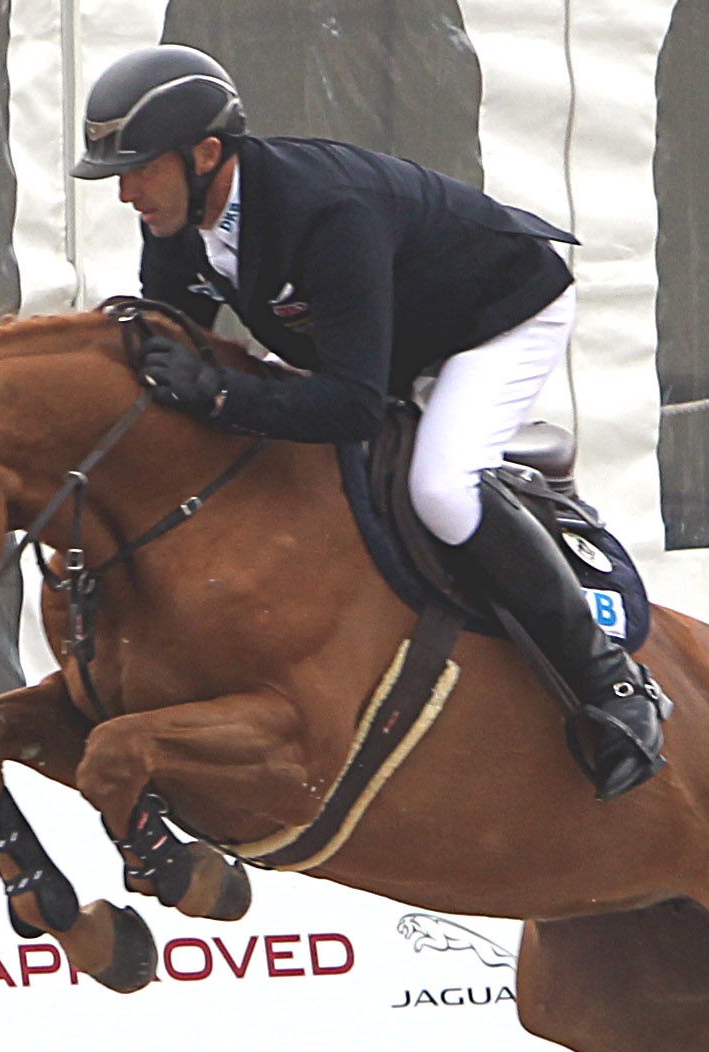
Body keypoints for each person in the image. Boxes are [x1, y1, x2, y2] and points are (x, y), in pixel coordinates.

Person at [71, 43, 667, 800]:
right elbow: (169, 341)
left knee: (441, 489)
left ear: (206, 154)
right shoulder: (177, 221)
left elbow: (353, 404)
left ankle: (612, 683)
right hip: (388, 335)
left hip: (497, 318)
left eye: (138, 169)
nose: (125, 193)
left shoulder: (326, 213)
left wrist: (222, 396)